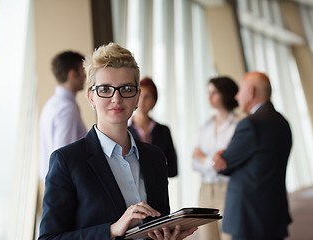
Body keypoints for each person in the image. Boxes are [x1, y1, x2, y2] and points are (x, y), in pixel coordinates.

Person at [38, 43, 197, 240]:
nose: (116, 98)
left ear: (137, 97)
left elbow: (158, 225)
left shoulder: (155, 158)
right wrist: (112, 230)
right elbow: (49, 238)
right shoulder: (67, 161)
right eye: (105, 89)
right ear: (91, 97)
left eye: (127, 89)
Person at [213, 72, 292, 240]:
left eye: (239, 90)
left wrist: (220, 157)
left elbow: (223, 164)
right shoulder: (283, 122)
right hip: (274, 212)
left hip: (249, 216)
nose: (236, 96)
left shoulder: (250, 124)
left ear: (251, 91)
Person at [192, 76, 239, 240]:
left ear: (226, 94)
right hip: (205, 191)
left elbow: (229, 163)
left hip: (228, 190)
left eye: (214, 93)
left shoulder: (238, 125)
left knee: (230, 236)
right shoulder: (206, 126)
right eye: (208, 93)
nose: (209, 97)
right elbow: (194, 162)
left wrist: (204, 158)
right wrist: (214, 161)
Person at [39, 51, 87, 183]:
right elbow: (65, 155)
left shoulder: (51, 104)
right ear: (72, 74)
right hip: (65, 186)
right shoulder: (67, 109)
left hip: (54, 183)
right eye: (83, 71)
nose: (85, 76)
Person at [128, 77, 178, 177]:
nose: (142, 101)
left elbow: (173, 169)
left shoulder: (163, 131)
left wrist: (153, 170)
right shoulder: (123, 130)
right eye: (140, 95)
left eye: (147, 97)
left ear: (154, 101)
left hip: (157, 190)